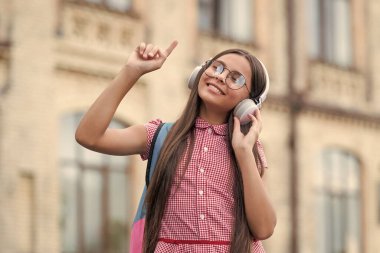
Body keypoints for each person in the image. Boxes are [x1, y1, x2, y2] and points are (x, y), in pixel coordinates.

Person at [75, 40, 276, 253]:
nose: (220, 76)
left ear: (250, 103)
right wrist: (131, 72)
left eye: (236, 78)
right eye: (217, 67)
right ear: (200, 72)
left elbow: (263, 228)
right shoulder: (160, 136)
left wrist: (244, 153)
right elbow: (89, 136)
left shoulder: (247, 148)